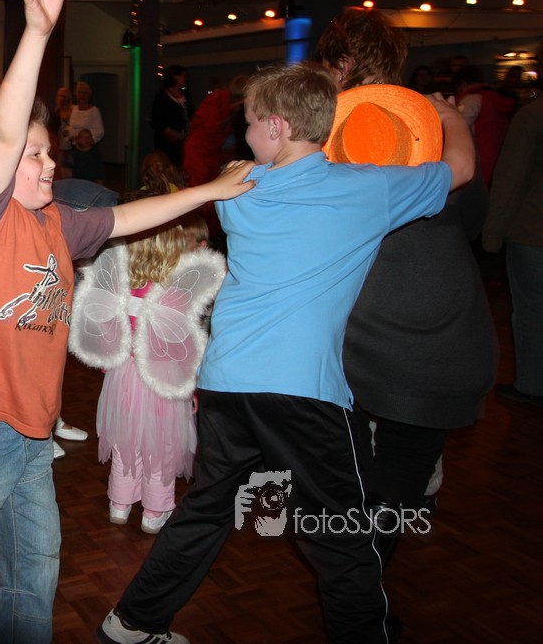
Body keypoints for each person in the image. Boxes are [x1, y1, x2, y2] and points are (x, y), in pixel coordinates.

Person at [0, 0, 254, 644]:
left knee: (34, 561)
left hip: (30, 423)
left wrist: (208, 192)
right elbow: (1, 133)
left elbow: (129, 217)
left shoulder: (58, 222)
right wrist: (37, 32)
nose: (50, 164)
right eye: (35, 155)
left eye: (50, 155)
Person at [95, 62, 473, 644]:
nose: (242, 133)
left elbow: (241, 172)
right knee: (342, 535)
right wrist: (450, 118)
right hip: (303, 391)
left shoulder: (238, 191)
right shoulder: (370, 189)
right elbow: (461, 170)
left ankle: (133, 623)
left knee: (207, 510)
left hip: (227, 383)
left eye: (249, 122)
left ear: (276, 126)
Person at [319, 9, 497, 565]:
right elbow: (474, 220)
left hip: (363, 325)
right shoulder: (439, 132)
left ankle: (357, 576)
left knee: (354, 464)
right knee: (400, 469)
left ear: (341, 64)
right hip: (439, 329)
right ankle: (367, 568)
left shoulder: (324, 138)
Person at [69, 193, 226, 535]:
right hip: (162, 380)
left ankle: (120, 503)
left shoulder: (124, 285)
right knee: (161, 445)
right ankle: (154, 511)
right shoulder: (176, 293)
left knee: (126, 440)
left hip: (124, 376)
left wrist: (109, 364)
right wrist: (193, 387)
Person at [484, 98, 543, 407]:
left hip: (532, 230)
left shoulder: (532, 116)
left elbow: (511, 178)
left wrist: (491, 237)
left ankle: (532, 385)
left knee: (532, 311)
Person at [149, 65, 192, 166]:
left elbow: (191, 114)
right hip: (167, 144)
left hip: (185, 142)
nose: (185, 78)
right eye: (183, 76)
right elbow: (157, 122)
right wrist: (175, 134)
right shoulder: (162, 97)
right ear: (175, 76)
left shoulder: (186, 95)